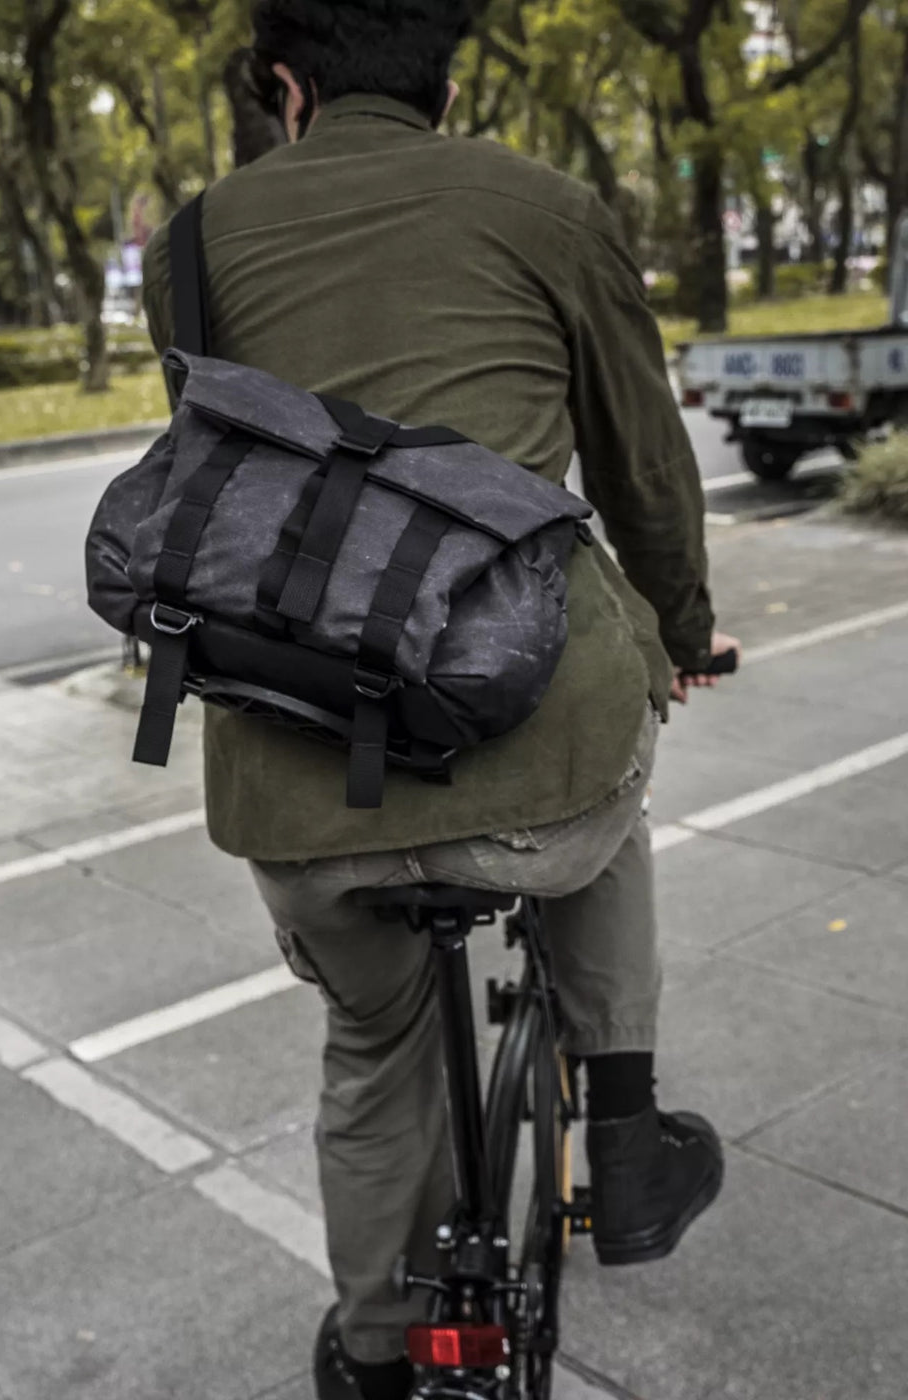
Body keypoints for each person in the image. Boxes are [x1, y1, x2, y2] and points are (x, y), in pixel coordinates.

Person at [139, 4, 738, 1396]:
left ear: (285, 86)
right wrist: (681, 632)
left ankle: (370, 1351)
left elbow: (225, 489)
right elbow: (644, 471)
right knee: (609, 746)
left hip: (300, 790)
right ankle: (628, 1142)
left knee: (371, 1037)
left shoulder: (190, 247)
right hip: (537, 764)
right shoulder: (551, 209)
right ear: (449, 89)